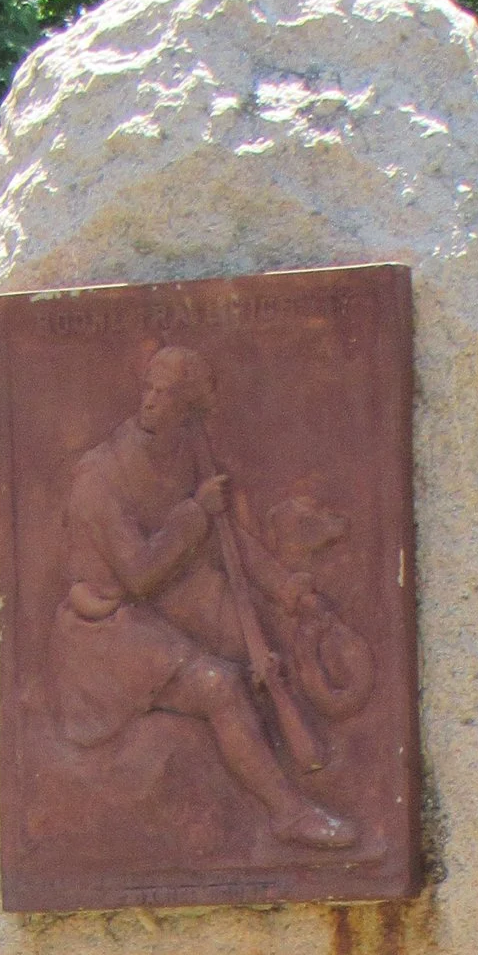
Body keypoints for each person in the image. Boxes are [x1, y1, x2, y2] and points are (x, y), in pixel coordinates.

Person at [49, 341, 355, 848]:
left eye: (166, 395)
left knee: (254, 639)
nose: (150, 401)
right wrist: (195, 510)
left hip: (151, 615)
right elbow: (141, 574)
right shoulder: (98, 478)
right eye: (149, 388)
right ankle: (288, 813)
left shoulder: (184, 454)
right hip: (103, 636)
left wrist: (289, 592)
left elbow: (229, 539)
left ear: (187, 410)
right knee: (221, 686)